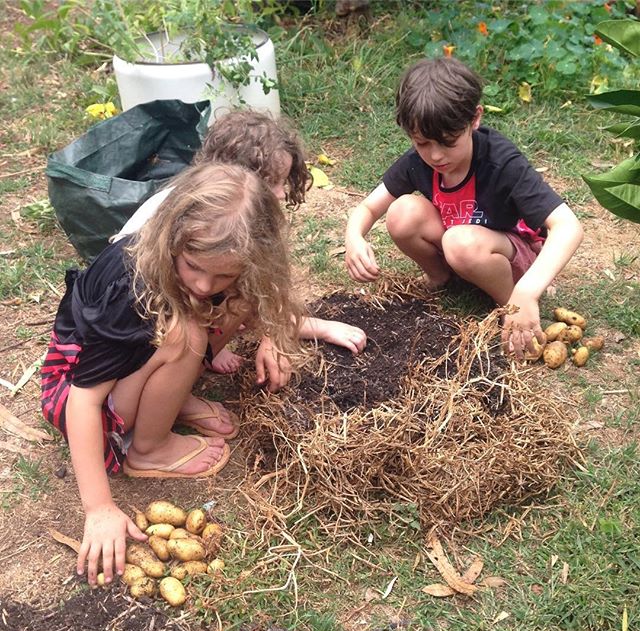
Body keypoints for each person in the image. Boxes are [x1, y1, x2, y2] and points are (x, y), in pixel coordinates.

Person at [41, 163, 304, 585]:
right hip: (77, 392)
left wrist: (273, 336)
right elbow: (82, 398)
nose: (204, 285)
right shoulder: (133, 287)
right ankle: (148, 446)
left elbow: (265, 297)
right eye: (194, 266)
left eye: (222, 273)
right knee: (184, 333)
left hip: (125, 370)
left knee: (237, 301)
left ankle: (168, 396)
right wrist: (99, 509)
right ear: (173, 239)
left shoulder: (217, 271)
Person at [344, 57, 583, 359]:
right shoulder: (420, 161)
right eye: (422, 143)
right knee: (402, 212)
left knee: (459, 242)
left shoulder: (501, 161)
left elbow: (568, 226)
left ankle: (509, 306)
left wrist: (528, 290)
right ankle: (441, 277)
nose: (435, 155)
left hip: (509, 253)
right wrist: (354, 236)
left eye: (448, 142)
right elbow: (368, 207)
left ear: (475, 119)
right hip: (461, 244)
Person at [114, 109, 366, 382]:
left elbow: (264, 283)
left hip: (185, 296)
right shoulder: (196, 217)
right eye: (273, 182)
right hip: (144, 321)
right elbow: (163, 292)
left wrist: (273, 336)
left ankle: (204, 354)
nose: (282, 193)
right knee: (235, 297)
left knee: (244, 287)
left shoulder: (232, 216)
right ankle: (178, 383)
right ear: (239, 180)